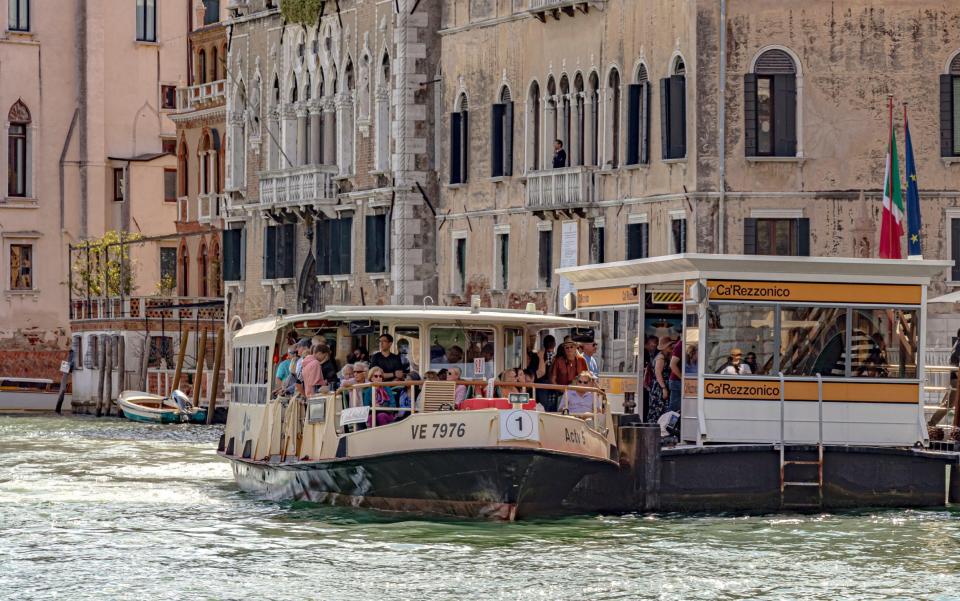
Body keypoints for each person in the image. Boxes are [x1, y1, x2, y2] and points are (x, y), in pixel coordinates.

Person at [549, 341, 589, 412]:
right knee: (561, 413)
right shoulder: (558, 361)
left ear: (576, 348)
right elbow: (552, 380)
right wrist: (562, 390)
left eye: (571, 347)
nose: (569, 349)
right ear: (564, 349)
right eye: (566, 347)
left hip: (580, 393)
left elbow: (588, 378)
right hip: (562, 393)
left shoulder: (582, 360)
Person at [647, 336, 673, 422]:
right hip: (659, 387)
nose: (671, 348)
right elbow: (658, 373)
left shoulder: (663, 356)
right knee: (658, 409)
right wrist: (664, 388)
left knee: (660, 409)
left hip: (659, 386)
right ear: (665, 347)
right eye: (669, 346)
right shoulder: (661, 358)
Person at [668, 338, 684, 414]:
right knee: (674, 409)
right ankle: (669, 425)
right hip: (676, 381)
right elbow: (672, 364)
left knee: (676, 408)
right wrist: (682, 378)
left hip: (677, 381)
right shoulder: (680, 346)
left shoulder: (682, 345)